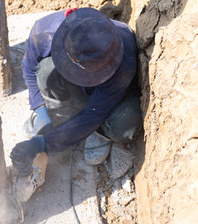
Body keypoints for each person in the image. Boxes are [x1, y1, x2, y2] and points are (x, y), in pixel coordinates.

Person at [10, 7, 142, 177]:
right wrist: (39, 108)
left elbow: (93, 114)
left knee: (125, 119)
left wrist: (44, 144)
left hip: (107, 96)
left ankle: (101, 134)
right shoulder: (45, 31)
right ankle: (58, 115)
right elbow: (29, 68)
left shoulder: (123, 61)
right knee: (45, 72)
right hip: (87, 82)